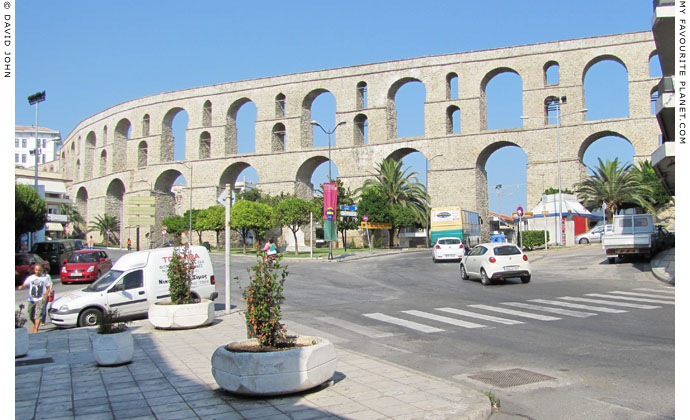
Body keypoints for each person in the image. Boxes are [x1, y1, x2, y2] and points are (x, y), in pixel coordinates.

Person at [17, 265, 53, 334]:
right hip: (31, 299)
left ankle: (36, 328)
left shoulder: (44, 278)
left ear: (42, 270)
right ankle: (35, 324)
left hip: (40, 299)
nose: (38, 271)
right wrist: (21, 286)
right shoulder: (30, 278)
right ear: (34, 270)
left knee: (39, 314)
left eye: (39, 270)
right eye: (36, 270)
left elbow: (48, 287)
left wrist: (45, 296)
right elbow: (25, 284)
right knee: (30, 314)